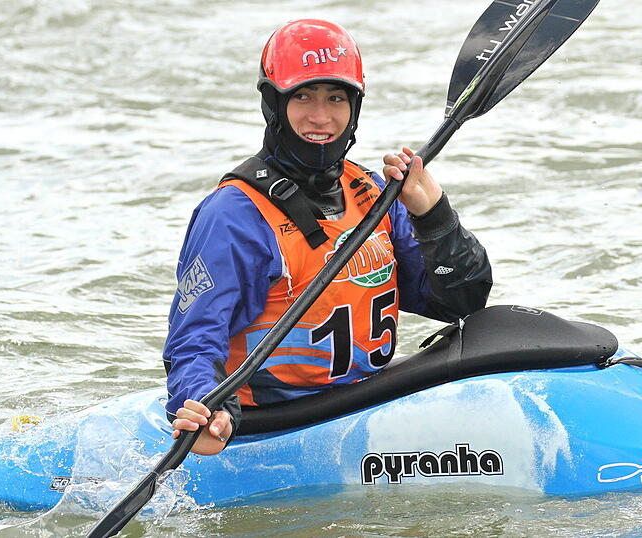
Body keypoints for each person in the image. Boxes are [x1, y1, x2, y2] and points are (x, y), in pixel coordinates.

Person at [163, 19, 492, 455]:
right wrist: (207, 406)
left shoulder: (375, 193)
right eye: (303, 96)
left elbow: (461, 303)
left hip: (365, 406)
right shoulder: (234, 215)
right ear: (274, 104)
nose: (321, 117)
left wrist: (433, 214)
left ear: (354, 106)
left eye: (336, 98)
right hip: (272, 426)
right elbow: (194, 339)